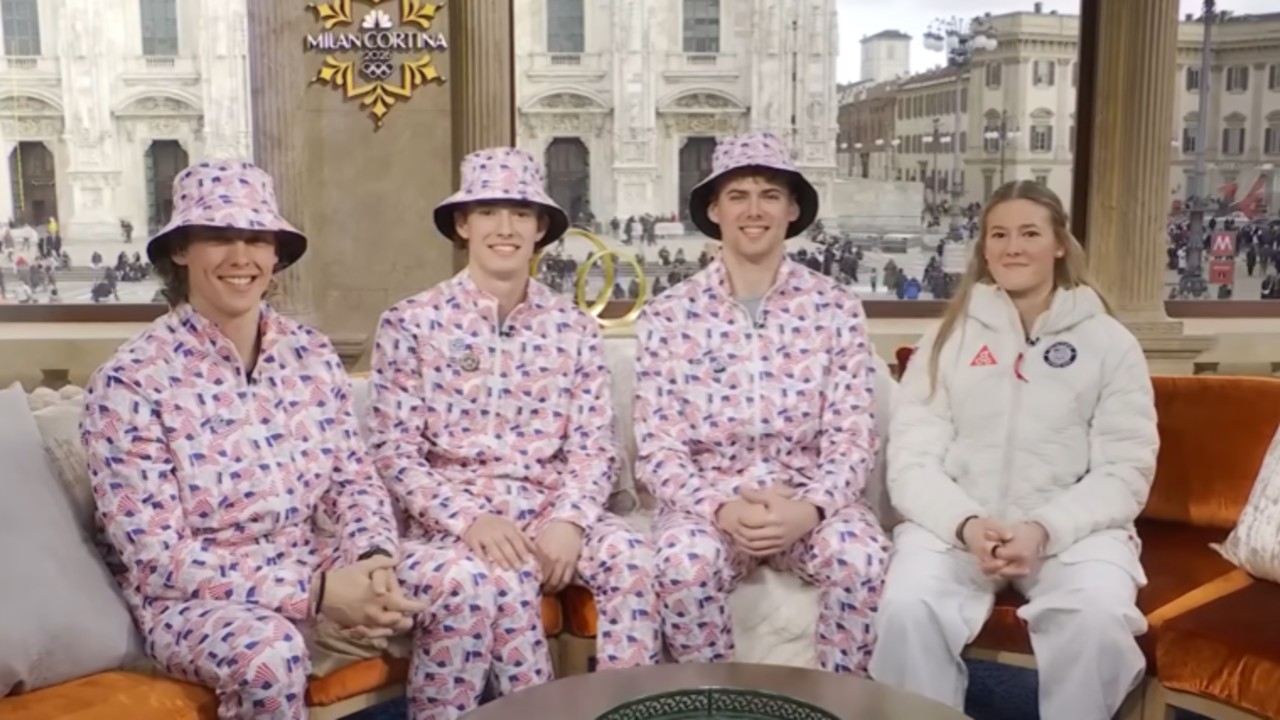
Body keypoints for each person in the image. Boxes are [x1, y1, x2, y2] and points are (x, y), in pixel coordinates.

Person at [81, 161, 494, 720]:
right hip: (196, 602)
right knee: (270, 655)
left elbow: (352, 480)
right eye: (218, 237)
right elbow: (158, 559)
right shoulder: (129, 382)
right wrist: (318, 594)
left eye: (256, 239)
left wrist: (373, 560)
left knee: (464, 580)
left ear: (277, 255)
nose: (240, 256)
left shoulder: (311, 353)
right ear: (180, 251)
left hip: (319, 560)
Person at [366, 148, 661, 692]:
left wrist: (569, 521)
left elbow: (596, 446)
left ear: (540, 227)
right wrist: (470, 521)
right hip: (457, 524)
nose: (505, 228)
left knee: (634, 557)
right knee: (500, 577)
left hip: (553, 510)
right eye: (488, 212)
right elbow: (393, 453)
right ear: (462, 224)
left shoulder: (571, 326)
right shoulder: (412, 322)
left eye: (521, 214)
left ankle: (627, 708)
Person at [869, 180, 1158, 720]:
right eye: (998, 234)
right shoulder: (948, 338)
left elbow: (1126, 468)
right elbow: (911, 460)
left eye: (1029, 233)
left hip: (1071, 533)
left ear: (1058, 246)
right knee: (907, 608)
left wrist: (1044, 528)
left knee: (1095, 618)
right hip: (958, 529)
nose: (1012, 247)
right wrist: (966, 523)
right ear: (983, 248)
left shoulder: (1109, 343)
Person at [635, 131, 889, 674]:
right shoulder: (669, 314)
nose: (755, 210)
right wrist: (719, 509)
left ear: (792, 209)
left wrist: (808, 510)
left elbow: (852, 435)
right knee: (681, 564)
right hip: (710, 506)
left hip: (809, 500)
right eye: (738, 195)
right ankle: (715, 709)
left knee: (861, 559)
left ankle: (835, 710)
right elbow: (658, 447)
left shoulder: (835, 307)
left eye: (770, 194)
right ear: (714, 209)